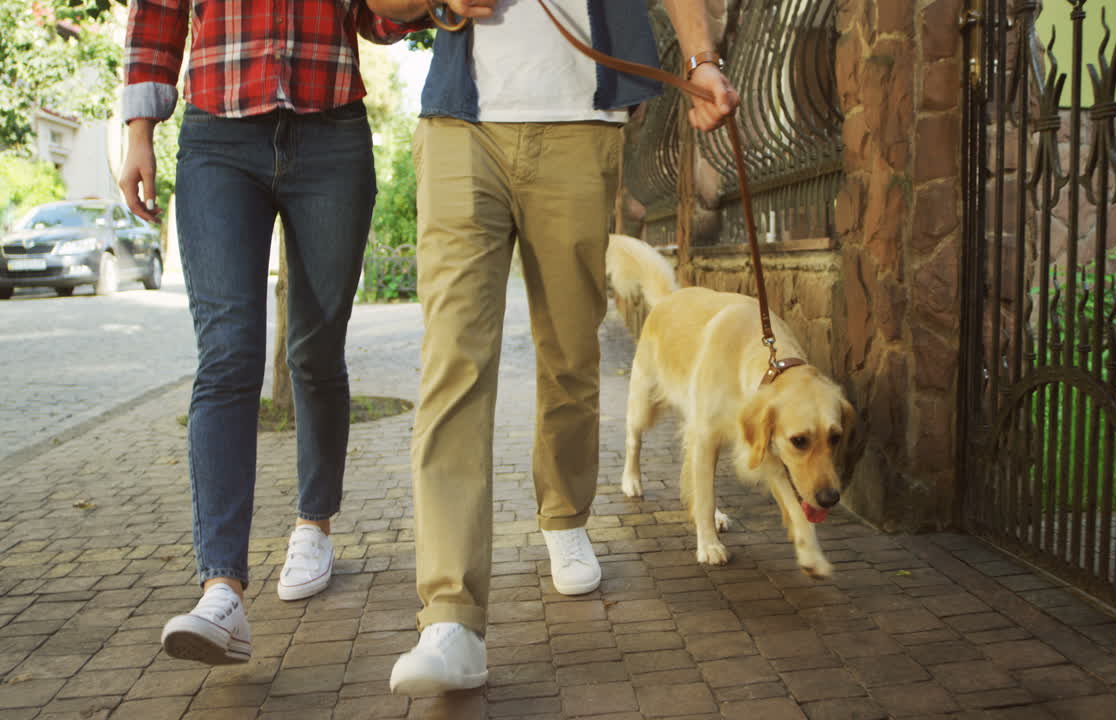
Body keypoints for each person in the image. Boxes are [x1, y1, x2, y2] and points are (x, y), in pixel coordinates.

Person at [364, 0, 740, 695]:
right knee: (453, 362)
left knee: (570, 352)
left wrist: (702, 62)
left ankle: (564, 513)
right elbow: (379, 9)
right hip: (460, 126)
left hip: (580, 121)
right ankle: (451, 618)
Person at [118, 0, 422, 664]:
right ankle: (221, 590)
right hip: (218, 137)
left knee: (316, 349)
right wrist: (138, 131)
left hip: (331, 133)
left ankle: (314, 524)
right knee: (228, 355)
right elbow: (159, 13)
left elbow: (382, 18)